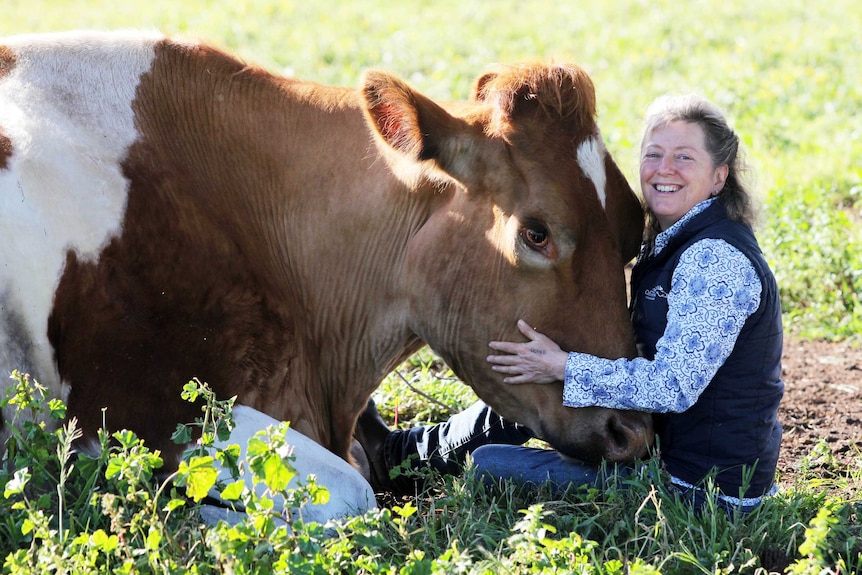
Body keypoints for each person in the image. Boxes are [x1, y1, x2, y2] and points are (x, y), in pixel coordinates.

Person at [354, 93, 784, 514]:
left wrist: (564, 366)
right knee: (535, 381)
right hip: (671, 450)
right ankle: (396, 454)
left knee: (489, 467)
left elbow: (674, 386)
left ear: (719, 176)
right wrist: (559, 367)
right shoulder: (679, 240)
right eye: (653, 154)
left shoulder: (715, 259)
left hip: (702, 491)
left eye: (684, 158)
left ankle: (398, 460)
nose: (663, 169)